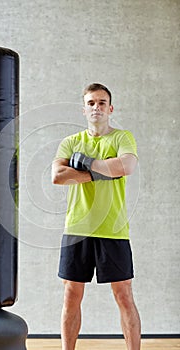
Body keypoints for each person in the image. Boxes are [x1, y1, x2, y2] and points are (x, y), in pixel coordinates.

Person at [52, 83, 141, 350]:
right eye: (91, 103)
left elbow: (126, 166)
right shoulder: (71, 142)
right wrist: (106, 169)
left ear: (110, 108)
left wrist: (85, 163)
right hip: (77, 228)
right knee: (71, 295)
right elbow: (57, 176)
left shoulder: (122, 138)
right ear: (84, 109)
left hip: (113, 230)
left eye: (102, 103)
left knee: (124, 295)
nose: (96, 107)